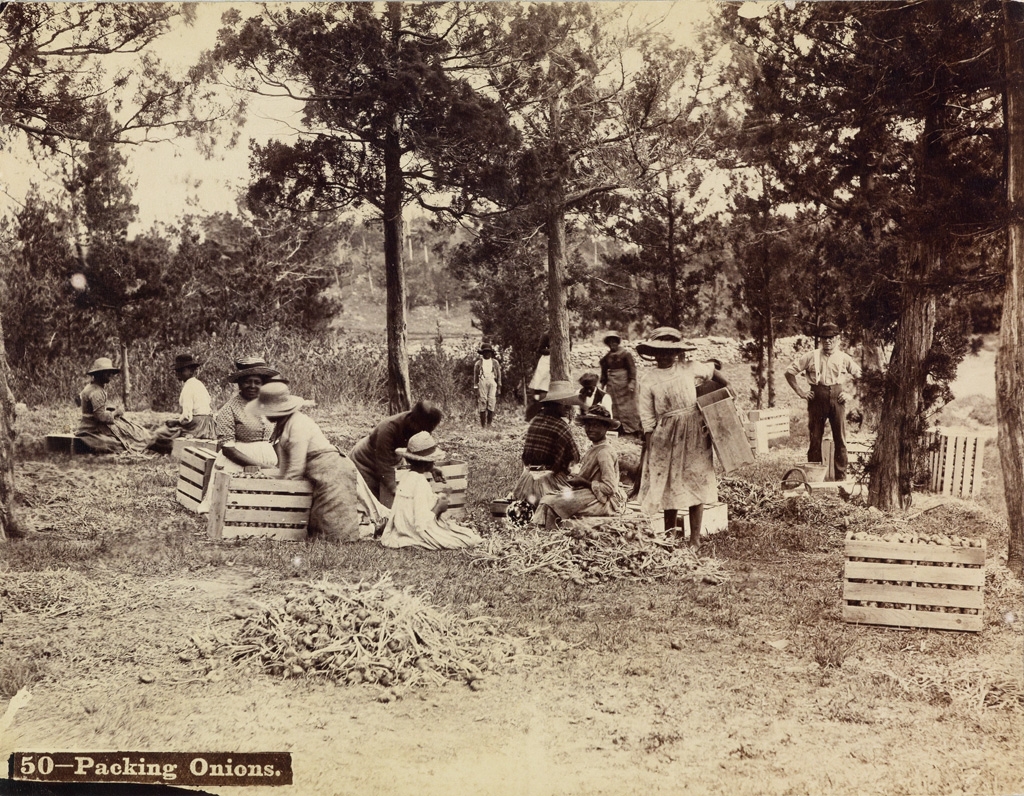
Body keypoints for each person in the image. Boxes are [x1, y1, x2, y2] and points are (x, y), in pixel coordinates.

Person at [249, 382, 388, 543]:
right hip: (318, 474)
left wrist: (279, 499)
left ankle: (373, 528)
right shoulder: (283, 426)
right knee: (317, 525)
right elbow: (285, 469)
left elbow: (295, 470)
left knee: (335, 531)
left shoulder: (297, 426)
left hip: (331, 470)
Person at [636, 327, 728, 549]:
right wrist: (651, 450)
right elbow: (647, 419)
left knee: (696, 477)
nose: (664, 356)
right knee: (669, 484)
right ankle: (670, 536)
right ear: (653, 353)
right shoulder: (648, 379)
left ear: (677, 352)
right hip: (665, 434)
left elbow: (713, 372)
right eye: (660, 352)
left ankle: (695, 539)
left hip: (695, 429)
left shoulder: (689, 368)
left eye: (670, 352)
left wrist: (726, 388)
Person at [784, 322, 862, 481]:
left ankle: (841, 479)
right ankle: (813, 479)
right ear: (820, 339)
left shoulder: (843, 358)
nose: (827, 341)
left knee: (840, 439)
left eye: (831, 338)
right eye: (824, 338)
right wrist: (801, 392)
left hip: (837, 398)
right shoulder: (811, 356)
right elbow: (789, 372)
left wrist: (850, 394)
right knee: (815, 439)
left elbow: (861, 376)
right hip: (816, 398)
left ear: (838, 339)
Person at [380, 431, 482, 550]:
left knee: (462, 532)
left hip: (403, 527)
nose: (434, 463)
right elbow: (421, 524)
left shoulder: (407, 477)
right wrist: (439, 506)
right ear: (428, 462)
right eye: (432, 461)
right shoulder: (420, 483)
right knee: (469, 538)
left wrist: (431, 469)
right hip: (414, 531)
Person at [531, 405, 625, 530]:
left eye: (596, 425)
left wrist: (583, 482)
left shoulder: (604, 452)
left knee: (551, 503)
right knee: (547, 497)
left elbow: (609, 488)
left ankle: (550, 536)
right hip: (590, 493)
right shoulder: (595, 448)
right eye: (588, 425)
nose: (591, 429)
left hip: (602, 501)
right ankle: (543, 533)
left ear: (606, 427)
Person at [348, 400, 444, 509]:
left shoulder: (420, 426)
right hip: (365, 461)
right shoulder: (388, 429)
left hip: (392, 457)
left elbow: (417, 453)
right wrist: (396, 491)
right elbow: (384, 465)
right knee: (371, 502)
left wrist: (431, 467)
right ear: (416, 422)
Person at [511, 380, 582, 508]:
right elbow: (574, 458)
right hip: (548, 483)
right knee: (580, 497)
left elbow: (526, 457)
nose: (567, 408)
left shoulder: (536, 421)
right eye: (564, 405)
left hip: (526, 481)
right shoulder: (561, 427)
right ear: (555, 405)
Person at [75, 357, 155, 453]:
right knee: (129, 436)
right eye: (107, 372)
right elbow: (100, 417)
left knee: (130, 429)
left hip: (88, 426)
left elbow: (83, 402)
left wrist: (108, 409)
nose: (111, 375)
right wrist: (116, 412)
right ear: (99, 374)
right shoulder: (97, 392)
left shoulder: (90, 387)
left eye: (111, 372)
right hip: (93, 429)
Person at [150, 353, 216, 454]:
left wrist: (175, 421)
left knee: (158, 434)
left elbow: (187, 416)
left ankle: (167, 448)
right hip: (207, 424)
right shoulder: (199, 384)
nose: (178, 374)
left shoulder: (188, 387)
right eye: (177, 371)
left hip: (196, 425)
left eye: (181, 371)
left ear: (191, 371)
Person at [599, 331, 642, 436]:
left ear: (618, 343)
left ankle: (634, 428)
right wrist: (602, 385)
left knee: (630, 406)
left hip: (625, 383)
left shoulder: (626, 354)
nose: (612, 344)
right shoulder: (606, 357)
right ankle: (619, 428)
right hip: (613, 384)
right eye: (610, 343)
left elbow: (632, 369)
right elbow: (604, 372)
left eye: (614, 342)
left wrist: (632, 382)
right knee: (614, 406)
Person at [473, 340, 502, 428]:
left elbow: (499, 375)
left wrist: (499, 387)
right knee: (482, 401)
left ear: (491, 353)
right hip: (482, 382)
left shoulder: (495, 362)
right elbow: (475, 376)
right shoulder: (478, 363)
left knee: (491, 401)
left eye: (489, 352)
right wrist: (475, 387)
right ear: (482, 353)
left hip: (492, 382)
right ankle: (483, 426)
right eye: (485, 352)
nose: (487, 354)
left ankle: (489, 424)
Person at [525, 334, 551, 422]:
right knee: (541, 389)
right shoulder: (547, 334)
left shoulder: (566, 334)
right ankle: (532, 415)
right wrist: (551, 351)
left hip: (560, 361)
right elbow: (540, 349)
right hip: (547, 361)